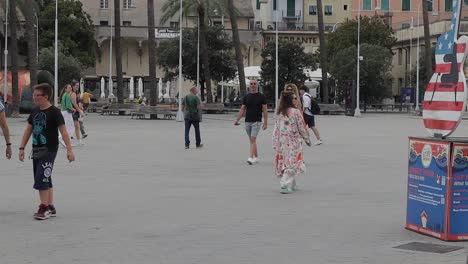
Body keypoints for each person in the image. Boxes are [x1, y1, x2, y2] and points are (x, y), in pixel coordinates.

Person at [18, 83, 75, 220]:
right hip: (37, 148)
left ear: (46, 96)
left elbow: (64, 132)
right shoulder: (35, 111)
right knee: (45, 176)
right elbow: (28, 130)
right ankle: (50, 206)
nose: (34, 98)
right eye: (34, 95)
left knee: (41, 176)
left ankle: (43, 207)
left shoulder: (54, 112)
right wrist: (21, 148)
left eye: (37, 95)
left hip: (49, 149)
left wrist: (69, 150)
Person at [273, 91, 311, 194]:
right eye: (294, 98)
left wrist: (275, 141)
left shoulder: (279, 112)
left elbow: (276, 128)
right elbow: (301, 126)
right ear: (290, 100)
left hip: (282, 141)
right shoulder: (296, 112)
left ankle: (293, 184)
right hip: (293, 141)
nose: (296, 99)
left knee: (289, 161)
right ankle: (284, 184)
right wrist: (307, 138)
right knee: (292, 162)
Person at [234, 79, 268, 165]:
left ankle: (251, 157)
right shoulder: (246, 97)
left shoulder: (261, 97)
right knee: (252, 140)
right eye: (251, 84)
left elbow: (265, 110)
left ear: (257, 85)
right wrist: (237, 119)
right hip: (247, 121)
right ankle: (256, 157)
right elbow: (242, 109)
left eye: (254, 84)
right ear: (249, 86)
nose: (253, 85)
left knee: (253, 139)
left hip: (257, 121)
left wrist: (265, 122)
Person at [71, 81, 84, 145]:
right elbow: (74, 103)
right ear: (73, 86)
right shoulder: (73, 93)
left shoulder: (77, 93)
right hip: (73, 111)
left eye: (78, 86)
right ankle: (77, 140)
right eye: (76, 85)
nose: (77, 87)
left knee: (77, 126)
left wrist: (81, 107)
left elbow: (79, 102)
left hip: (75, 111)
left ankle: (79, 140)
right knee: (75, 126)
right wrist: (79, 111)